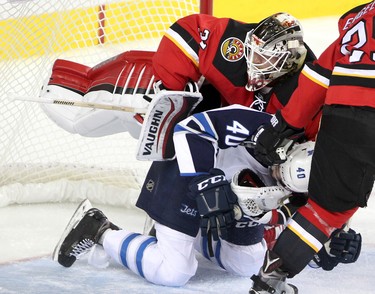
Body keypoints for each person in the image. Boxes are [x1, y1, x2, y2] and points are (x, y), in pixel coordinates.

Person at [246, 2, 374, 293]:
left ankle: (269, 282)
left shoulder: (358, 16)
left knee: (326, 211)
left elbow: (319, 76)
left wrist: (285, 124)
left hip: (342, 112)